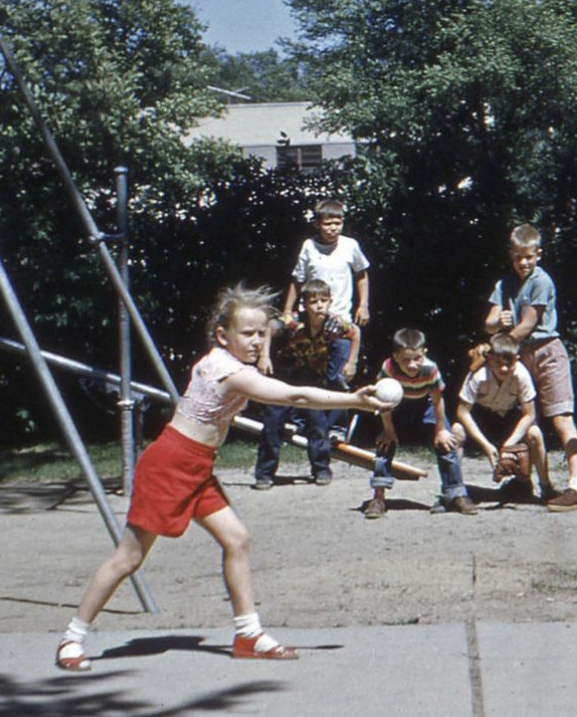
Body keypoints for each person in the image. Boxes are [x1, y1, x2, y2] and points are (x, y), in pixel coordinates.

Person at [55, 285, 388, 672]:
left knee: (236, 539)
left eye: (261, 333)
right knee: (129, 558)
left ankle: (248, 635)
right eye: (247, 333)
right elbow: (293, 396)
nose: (256, 340)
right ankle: (72, 638)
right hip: (169, 465)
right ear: (222, 335)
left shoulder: (225, 361)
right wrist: (354, 400)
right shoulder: (229, 371)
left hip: (197, 464)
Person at [483, 223, 577, 511]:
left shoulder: (542, 281)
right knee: (526, 420)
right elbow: (489, 322)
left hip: (547, 352)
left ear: (538, 254)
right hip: (518, 355)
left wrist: (494, 348)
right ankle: (525, 481)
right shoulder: (504, 284)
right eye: (518, 257)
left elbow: (527, 325)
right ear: (511, 255)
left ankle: (576, 485)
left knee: (561, 418)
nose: (523, 263)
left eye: (528, 257)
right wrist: (498, 323)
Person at [271, 199, 370, 473]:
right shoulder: (309, 247)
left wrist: (363, 305)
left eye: (338, 223)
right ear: (317, 224)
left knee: (338, 377)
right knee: (304, 375)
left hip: (339, 321)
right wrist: (287, 310)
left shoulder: (350, 246)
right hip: (310, 323)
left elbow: (362, 275)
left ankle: (336, 427)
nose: (333, 228)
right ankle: (299, 422)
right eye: (328, 223)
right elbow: (297, 279)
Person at [253, 278, 359, 489]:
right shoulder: (293, 322)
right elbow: (268, 328)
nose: (319, 306)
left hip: (313, 379)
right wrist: (264, 356)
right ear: (304, 304)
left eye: (323, 300)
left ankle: (321, 469)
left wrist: (352, 362)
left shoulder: (334, 324)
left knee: (318, 424)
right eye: (313, 301)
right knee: (272, 423)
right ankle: (264, 473)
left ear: (330, 302)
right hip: (285, 377)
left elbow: (355, 332)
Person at [363, 328, 477, 518]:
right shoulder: (388, 368)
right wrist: (388, 430)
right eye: (406, 360)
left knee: (446, 442)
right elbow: (382, 401)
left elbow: (438, 399)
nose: (412, 364)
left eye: (417, 358)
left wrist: (440, 430)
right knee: (384, 443)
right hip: (395, 405)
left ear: (424, 353)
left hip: (426, 403)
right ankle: (378, 497)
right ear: (396, 356)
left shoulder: (430, 369)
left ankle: (456, 493)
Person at [455, 333, 551, 500]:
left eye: (510, 364)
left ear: (517, 359)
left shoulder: (521, 374)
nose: (504, 369)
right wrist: (486, 446)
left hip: (509, 416)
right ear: (490, 359)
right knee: (456, 431)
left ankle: (545, 487)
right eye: (499, 364)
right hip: (481, 416)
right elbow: (462, 412)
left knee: (535, 433)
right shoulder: (478, 375)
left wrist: (509, 444)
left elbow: (529, 414)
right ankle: (454, 489)